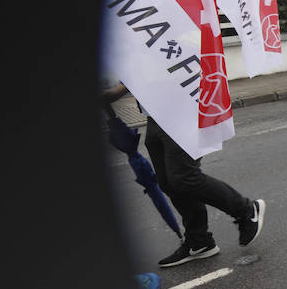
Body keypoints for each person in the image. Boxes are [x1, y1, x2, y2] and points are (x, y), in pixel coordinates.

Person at [103, 84, 267, 268]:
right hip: (155, 116)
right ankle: (199, 241)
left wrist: (116, 91)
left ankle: (246, 210)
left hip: (181, 112)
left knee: (184, 177)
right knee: (167, 182)